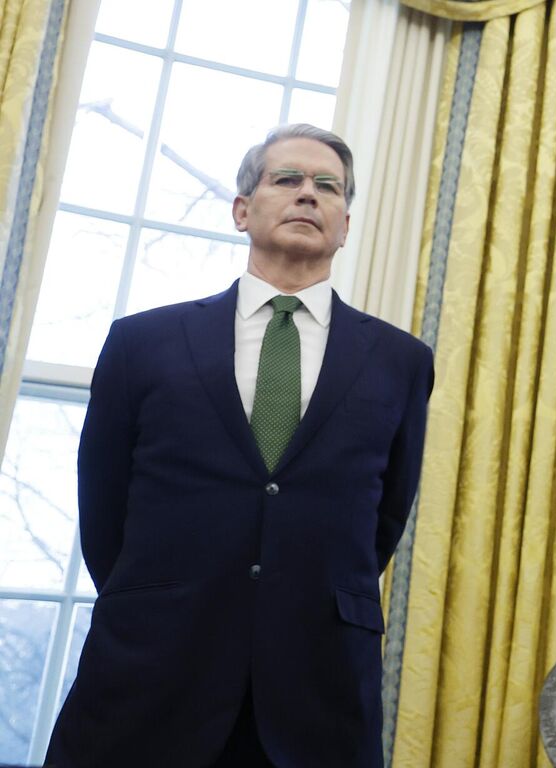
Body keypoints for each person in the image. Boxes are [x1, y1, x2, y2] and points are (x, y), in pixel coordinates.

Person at [48, 124, 434, 767]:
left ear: (344, 224)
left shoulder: (400, 362)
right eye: (287, 179)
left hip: (318, 694)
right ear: (242, 210)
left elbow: (382, 521)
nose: (309, 194)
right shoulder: (142, 344)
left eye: (328, 187)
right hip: (149, 677)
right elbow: (104, 512)